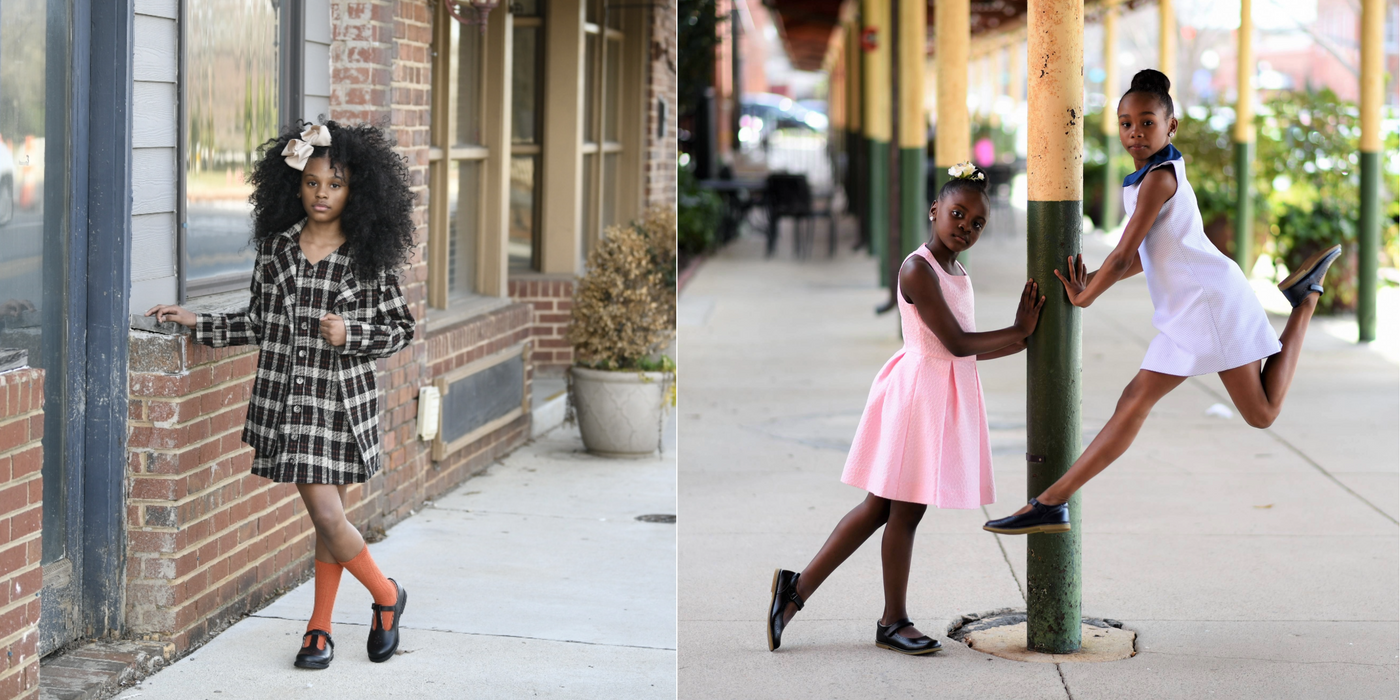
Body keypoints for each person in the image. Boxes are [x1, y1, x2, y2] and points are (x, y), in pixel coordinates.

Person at [983, 70, 1341, 535]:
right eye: (1126, 123)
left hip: (1209, 303)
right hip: (1189, 307)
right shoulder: (1146, 177)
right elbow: (1150, 255)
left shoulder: (1157, 179)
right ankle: (1052, 502)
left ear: (1171, 126)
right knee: (1135, 399)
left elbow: (1123, 255)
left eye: (1147, 122)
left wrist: (1085, 295)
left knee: (1261, 413)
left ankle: (1304, 301)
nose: (1135, 133)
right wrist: (1088, 281)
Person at [145, 120, 417, 669]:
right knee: (328, 516)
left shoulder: (367, 256)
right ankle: (362, 608)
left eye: (335, 184)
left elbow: (402, 329)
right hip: (288, 403)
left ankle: (349, 614)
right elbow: (260, 323)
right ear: (295, 185)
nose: (322, 194)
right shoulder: (276, 250)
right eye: (312, 182)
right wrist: (199, 321)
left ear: (355, 191)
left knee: (326, 516)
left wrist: (352, 333)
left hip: (340, 404)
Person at [767, 163, 1045, 654]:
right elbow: (956, 343)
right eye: (957, 214)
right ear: (934, 210)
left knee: (880, 507)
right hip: (918, 396)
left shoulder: (956, 270)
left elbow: (964, 346)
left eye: (977, 223)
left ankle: (797, 589)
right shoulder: (918, 268)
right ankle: (891, 620)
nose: (965, 227)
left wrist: (1018, 341)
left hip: (935, 393)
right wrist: (1018, 330)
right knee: (905, 511)